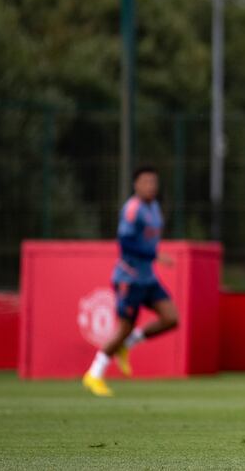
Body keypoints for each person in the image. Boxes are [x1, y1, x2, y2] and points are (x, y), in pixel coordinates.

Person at [82, 166, 179, 397]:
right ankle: (94, 374)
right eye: (145, 182)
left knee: (171, 318)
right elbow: (125, 244)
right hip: (129, 279)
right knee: (123, 328)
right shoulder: (132, 209)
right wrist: (155, 255)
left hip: (148, 278)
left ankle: (128, 344)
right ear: (136, 185)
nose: (150, 187)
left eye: (153, 182)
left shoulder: (154, 207)